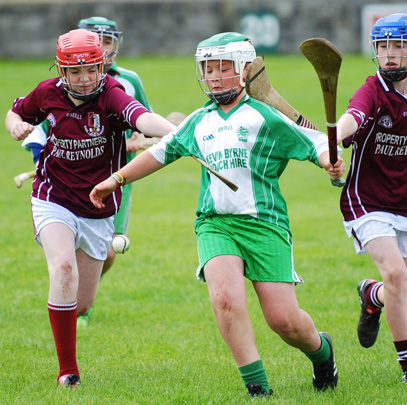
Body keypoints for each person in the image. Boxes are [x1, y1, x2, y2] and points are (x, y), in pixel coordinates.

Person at [90, 32, 345, 397]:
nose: (212, 76)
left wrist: (329, 161)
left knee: (284, 322)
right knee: (225, 298)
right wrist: (115, 179)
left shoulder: (265, 117)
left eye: (222, 68)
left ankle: (322, 352)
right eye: (207, 69)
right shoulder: (199, 121)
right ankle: (257, 388)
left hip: (265, 225)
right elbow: (159, 152)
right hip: (215, 223)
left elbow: (317, 143)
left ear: (244, 72)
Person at [5, 28, 175, 388]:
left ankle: (67, 311)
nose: (84, 80)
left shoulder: (112, 94)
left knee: (81, 303)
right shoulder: (47, 93)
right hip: (53, 197)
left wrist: (175, 132)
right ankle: (68, 372)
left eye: (91, 70)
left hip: (99, 208)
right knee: (63, 270)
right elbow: (14, 111)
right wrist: (17, 124)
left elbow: (142, 118)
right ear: (61, 71)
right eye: (75, 72)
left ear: (102, 67)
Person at [336, 13, 407, 383]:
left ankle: (372, 296)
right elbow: (352, 118)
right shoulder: (371, 91)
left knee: (406, 297)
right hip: (367, 201)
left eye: (398, 47)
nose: (388, 55)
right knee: (397, 277)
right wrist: (337, 139)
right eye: (383, 46)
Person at [21, 16, 154, 327]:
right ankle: (73, 296)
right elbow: (47, 125)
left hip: (117, 178)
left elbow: (143, 120)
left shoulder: (127, 81)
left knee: (107, 253)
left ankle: (82, 301)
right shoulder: (56, 91)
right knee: (69, 262)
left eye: (109, 41)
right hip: (66, 188)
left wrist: (137, 141)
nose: (105, 49)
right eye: (99, 41)